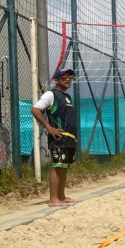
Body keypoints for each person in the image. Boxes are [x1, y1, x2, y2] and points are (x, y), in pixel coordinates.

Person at [31, 68, 78, 206]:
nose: (68, 79)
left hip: (69, 139)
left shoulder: (67, 97)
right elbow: (35, 109)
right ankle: (53, 199)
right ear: (57, 80)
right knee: (57, 166)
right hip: (59, 139)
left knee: (64, 167)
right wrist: (48, 127)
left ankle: (61, 196)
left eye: (70, 77)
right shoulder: (51, 94)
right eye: (64, 77)